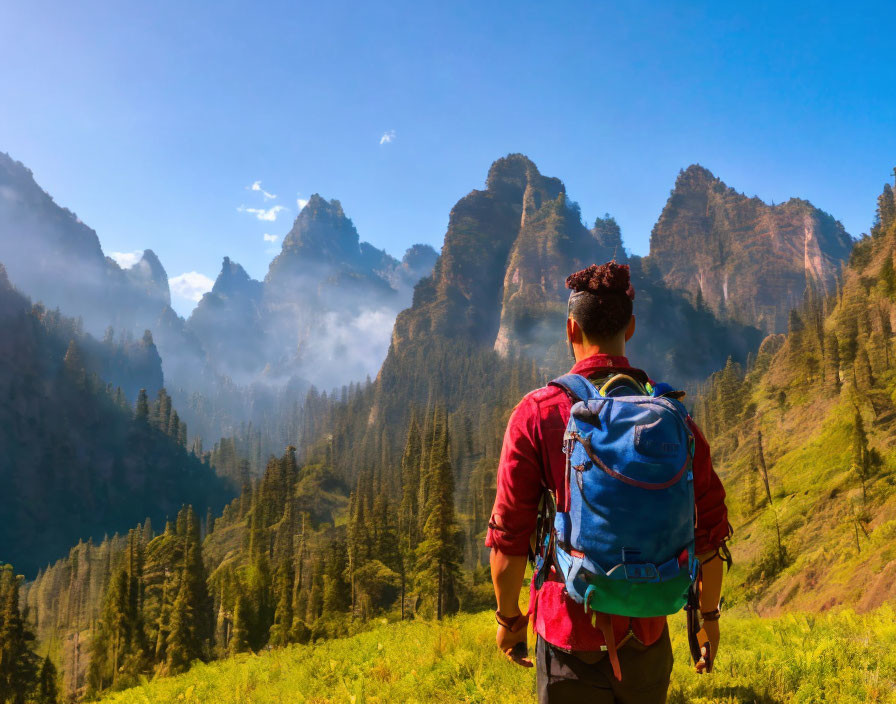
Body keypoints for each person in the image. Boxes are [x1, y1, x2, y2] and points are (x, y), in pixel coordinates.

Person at [486, 262, 731, 703]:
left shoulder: (539, 412)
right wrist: (707, 617)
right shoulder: (672, 417)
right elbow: (710, 528)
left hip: (566, 634)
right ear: (631, 327)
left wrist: (509, 621)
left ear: (570, 329)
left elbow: (509, 533)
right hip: (649, 631)